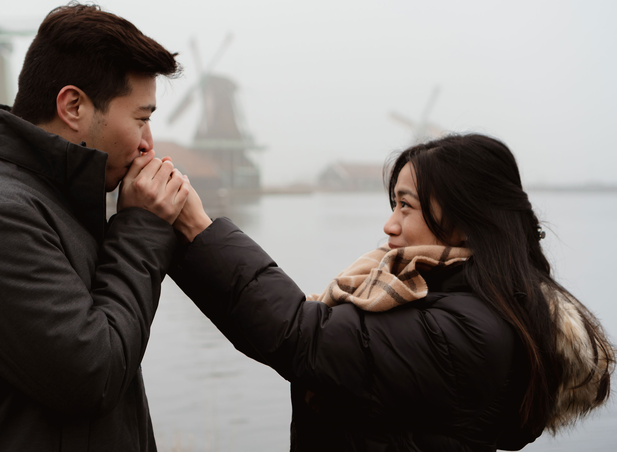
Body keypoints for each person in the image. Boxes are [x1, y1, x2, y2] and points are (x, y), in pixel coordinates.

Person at [168, 133, 614, 451]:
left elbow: (303, 337)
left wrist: (195, 227)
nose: (390, 224)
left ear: (464, 221)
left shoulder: (467, 331)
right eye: (392, 204)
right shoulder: (437, 299)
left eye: (406, 205)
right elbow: (299, 337)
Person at [0, 3, 189, 452]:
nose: (149, 142)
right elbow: (95, 375)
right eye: (142, 118)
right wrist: (141, 227)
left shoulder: (49, 194)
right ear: (73, 105)